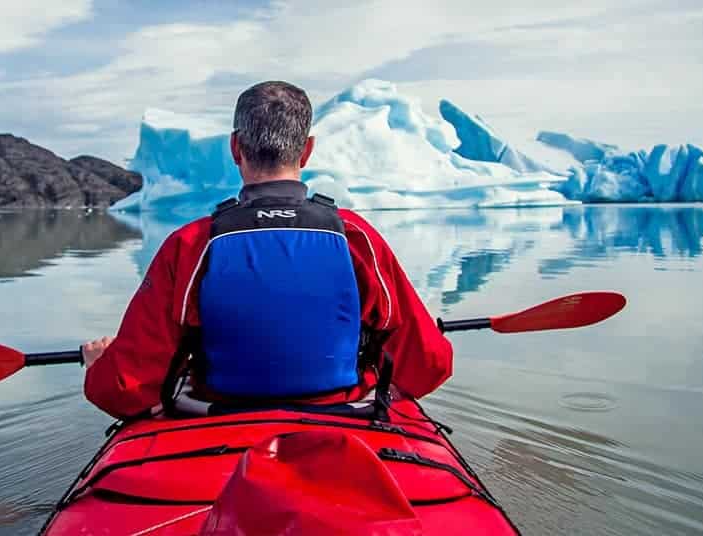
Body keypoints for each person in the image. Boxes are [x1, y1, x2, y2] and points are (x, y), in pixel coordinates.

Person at [82, 81, 452, 419]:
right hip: (342, 418)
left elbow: (123, 390)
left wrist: (102, 364)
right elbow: (430, 363)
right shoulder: (356, 238)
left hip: (216, 422)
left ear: (234, 148)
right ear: (307, 151)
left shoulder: (192, 244)